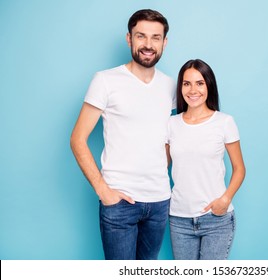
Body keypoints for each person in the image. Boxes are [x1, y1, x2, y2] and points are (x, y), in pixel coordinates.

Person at [70, 9, 175, 260]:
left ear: (164, 42)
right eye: (141, 36)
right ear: (129, 38)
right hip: (119, 203)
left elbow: (174, 134)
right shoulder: (106, 81)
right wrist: (103, 191)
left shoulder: (171, 86)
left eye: (155, 37)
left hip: (160, 201)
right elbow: (77, 139)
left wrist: (160, 166)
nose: (148, 45)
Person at [166, 59, 246, 260]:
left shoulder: (224, 122)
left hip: (216, 219)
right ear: (181, 87)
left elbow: (239, 168)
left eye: (200, 83)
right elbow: (160, 167)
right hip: (179, 219)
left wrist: (225, 199)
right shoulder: (171, 124)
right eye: (187, 83)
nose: (193, 90)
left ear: (209, 85)